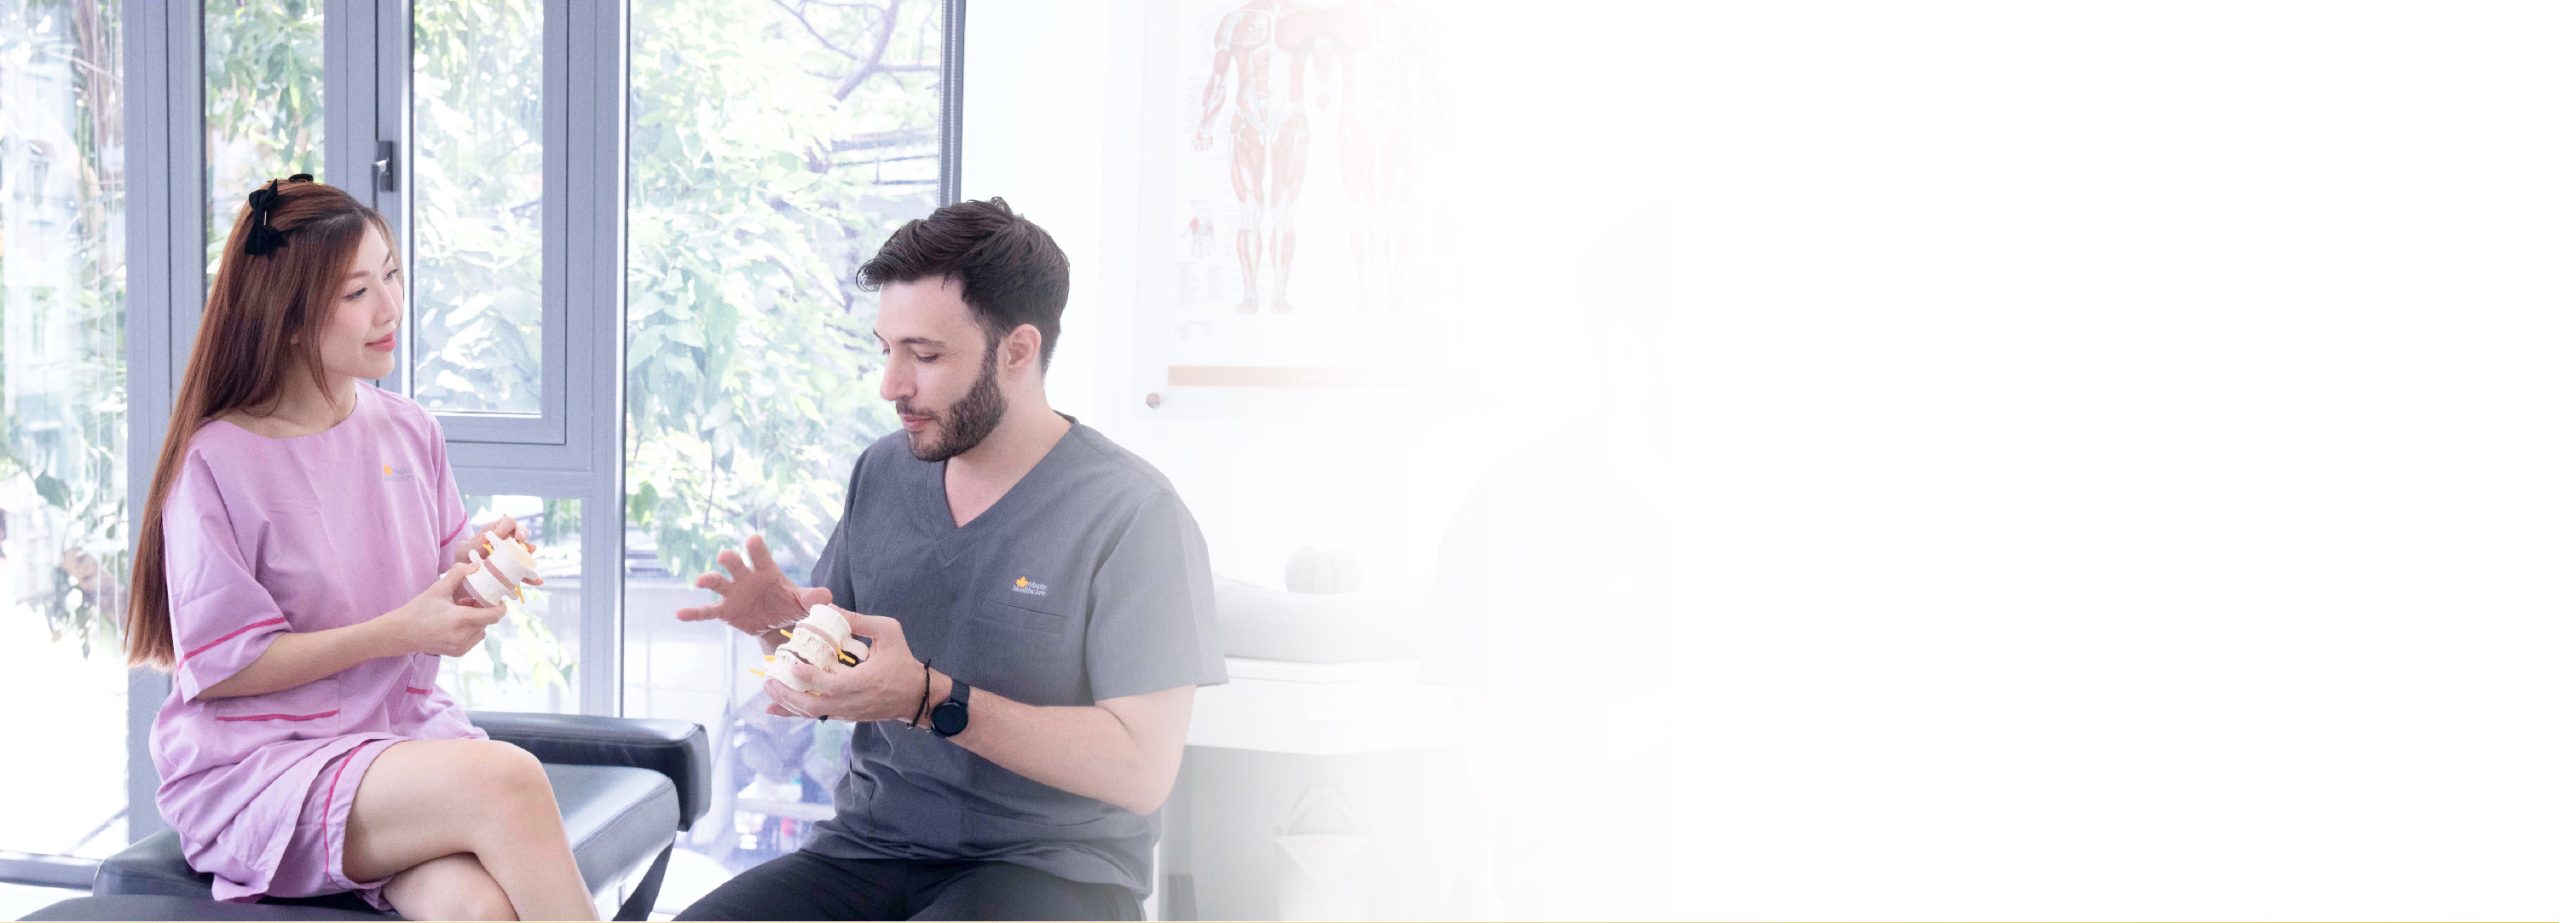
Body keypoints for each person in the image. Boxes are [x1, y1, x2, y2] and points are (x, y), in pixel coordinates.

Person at [673, 197, 1226, 921]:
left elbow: (1141, 768)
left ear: (1017, 351)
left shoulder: (1132, 514)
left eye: (925, 355)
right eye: (887, 350)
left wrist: (929, 698)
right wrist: (782, 631)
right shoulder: (884, 472)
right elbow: (852, 672)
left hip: (1049, 870)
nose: (891, 385)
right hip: (867, 851)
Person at [124, 175, 595, 920]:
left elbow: (437, 584)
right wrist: (402, 630)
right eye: (355, 292)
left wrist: (478, 567)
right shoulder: (217, 461)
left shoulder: (409, 429)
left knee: (480, 911)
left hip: (393, 741)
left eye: (392, 275)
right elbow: (225, 667)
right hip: (264, 767)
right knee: (507, 778)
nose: (389, 308)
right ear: (287, 316)